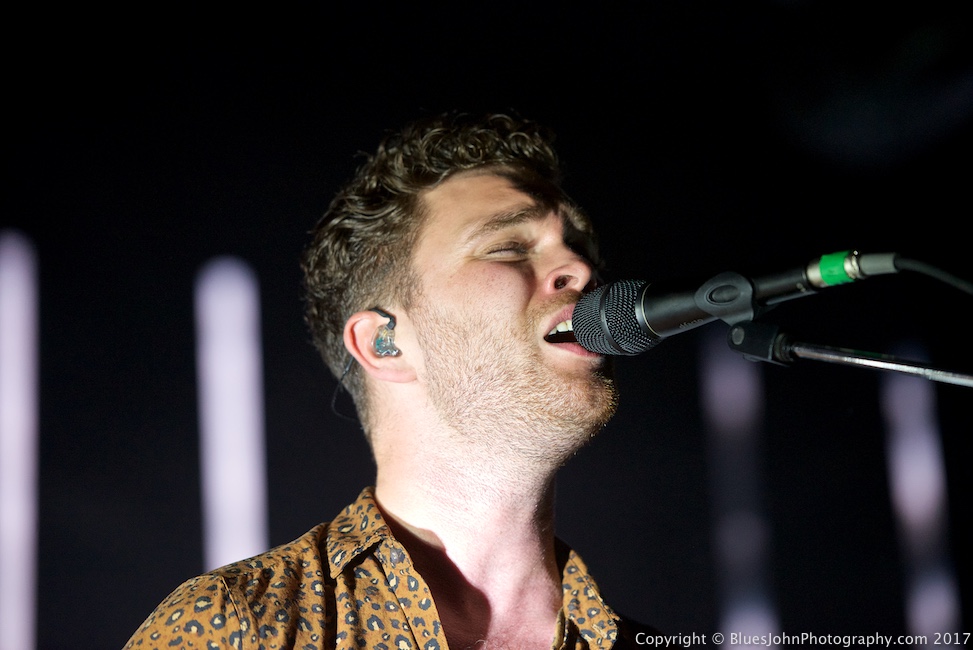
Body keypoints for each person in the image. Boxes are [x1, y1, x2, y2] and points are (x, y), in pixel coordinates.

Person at [125, 111, 655, 649]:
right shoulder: (242, 627)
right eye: (508, 247)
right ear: (385, 342)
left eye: (581, 248)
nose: (580, 268)